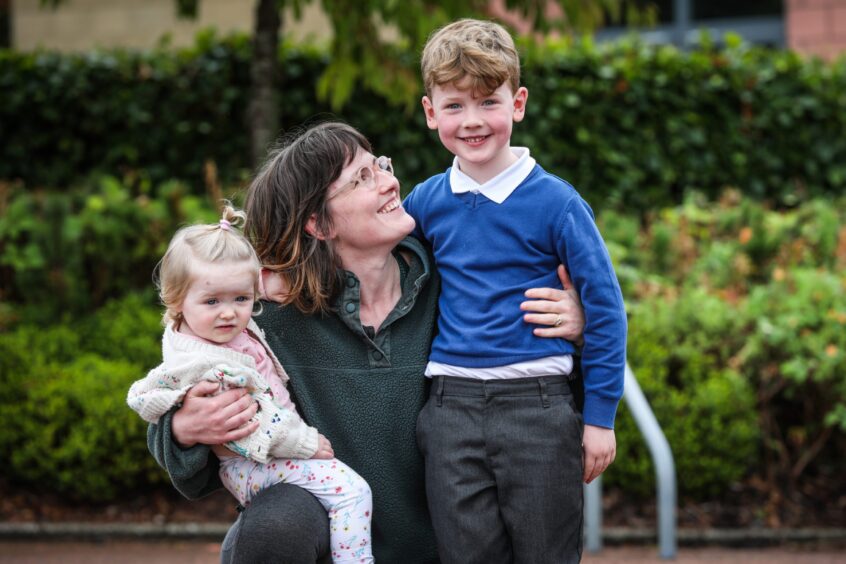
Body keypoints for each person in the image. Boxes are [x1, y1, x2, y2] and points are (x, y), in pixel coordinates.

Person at [146, 122, 587, 563]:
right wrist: (183, 430)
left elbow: (540, 401)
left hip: (458, 546)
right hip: (327, 541)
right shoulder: (265, 319)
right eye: (362, 178)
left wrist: (577, 329)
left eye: (380, 165)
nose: (390, 182)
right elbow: (185, 371)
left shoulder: (460, 287)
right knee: (276, 522)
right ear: (317, 223)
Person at [402, 19, 628, 563]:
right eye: (454, 106)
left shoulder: (558, 203)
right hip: (449, 408)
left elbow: (607, 310)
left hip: (539, 410)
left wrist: (599, 418)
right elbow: (374, 268)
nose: (473, 121)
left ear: (518, 103)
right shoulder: (425, 203)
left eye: (488, 102)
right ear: (431, 112)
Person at [130, 205, 374, 564]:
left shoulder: (219, 334)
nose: (229, 313)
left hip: (263, 462)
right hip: (257, 462)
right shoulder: (208, 364)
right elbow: (252, 422)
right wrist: (305, 443)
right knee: (352, 492)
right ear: (177, 300)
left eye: (241, 299)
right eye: (212, 301)